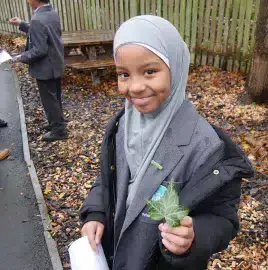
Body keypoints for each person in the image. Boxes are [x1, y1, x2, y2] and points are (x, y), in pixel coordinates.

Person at [80, 15, 254, 270]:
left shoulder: (205, 148)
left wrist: (194, 236)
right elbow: (109, 178)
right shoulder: (122, 125)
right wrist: (96, 213)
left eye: (150, 71)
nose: (135, 87)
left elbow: (223, 218)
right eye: (124, 74)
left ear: (177, 67)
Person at [9, 0, 67, 142]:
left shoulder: (37, 19)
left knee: (49, 100)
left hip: (45, 67)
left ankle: (59, 131)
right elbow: (41, 31)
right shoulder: (51, 13)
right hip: (56, 62)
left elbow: (40, 50)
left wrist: (20, 57)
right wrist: (21, 24)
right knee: (55, 97)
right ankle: (57, 123)